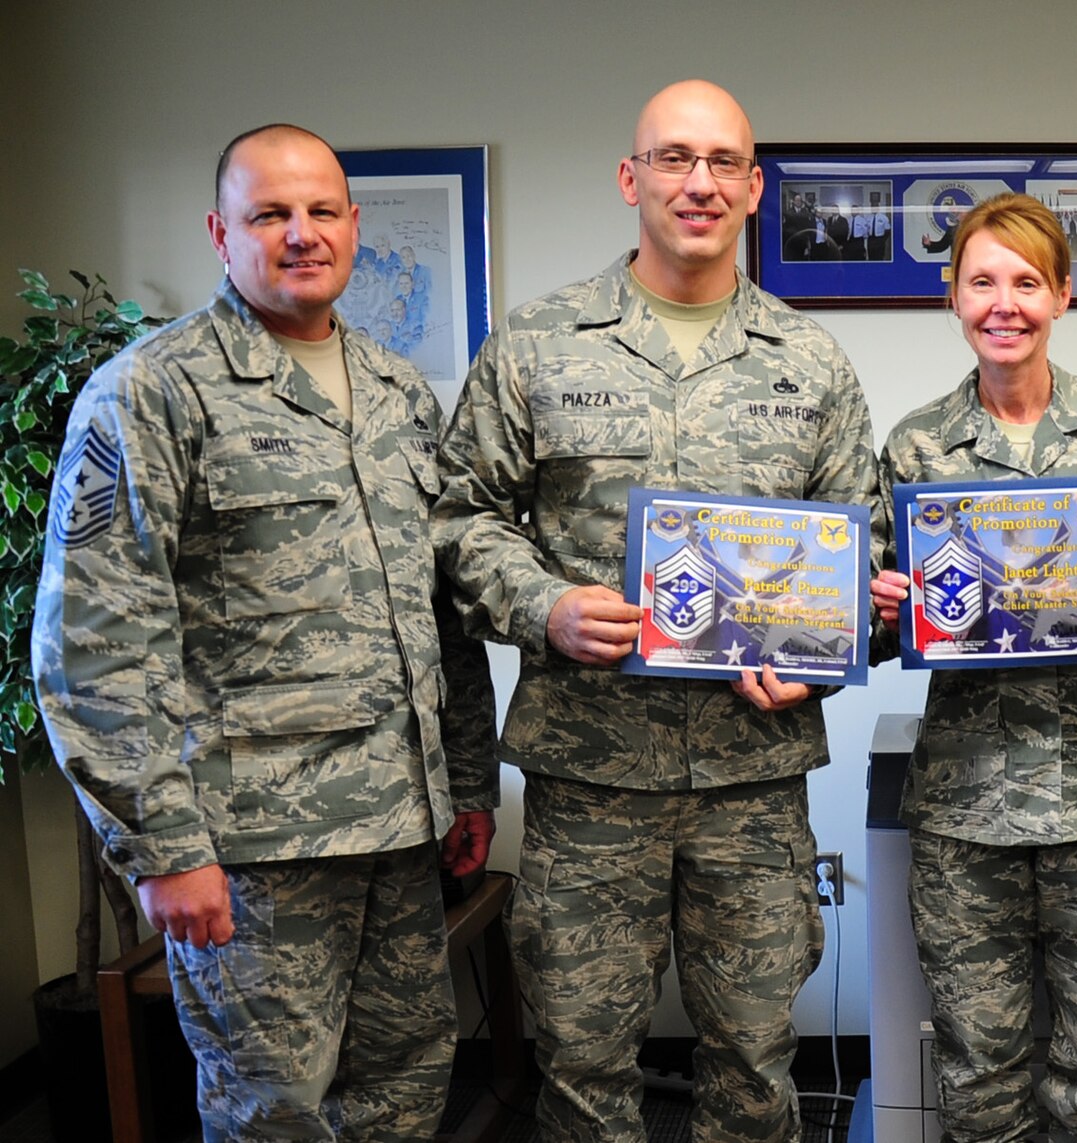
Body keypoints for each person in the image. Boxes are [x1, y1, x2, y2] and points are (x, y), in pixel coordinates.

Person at [431, 80, 877, 1143]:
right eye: (674, 158)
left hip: (753, 779)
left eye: (724, 161)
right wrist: (545, 607)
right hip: (590, 776)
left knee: (755, 1068)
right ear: (631, 177)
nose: (699, 182)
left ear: (755, 187)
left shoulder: (808, 361)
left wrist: (818, 655)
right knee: (583, 1073)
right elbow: (457, 521)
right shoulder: (538, 346)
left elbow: (863, 550)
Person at [32, 123, 498, 1140]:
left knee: (408, 1088)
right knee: (273, 1113)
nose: (300, 233)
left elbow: (438, 616)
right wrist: (163, 848)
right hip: (254, 851)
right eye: (269, 214)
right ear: (220, 232)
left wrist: (465, 782)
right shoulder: (153, 392)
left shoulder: (396, 391)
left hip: (402, 833)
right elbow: (94, 644)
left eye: (320, 211)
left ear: (352, 225)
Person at [868, 192, 1077, 1143]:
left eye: (1025, 281)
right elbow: (869, 618)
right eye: (982, 281)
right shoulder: (915, 444)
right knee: (978, 1060)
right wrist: (881, 611)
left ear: (1062, 294)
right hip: (967, 806)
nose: (1003, 302)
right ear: (954, 297)